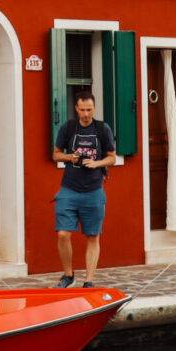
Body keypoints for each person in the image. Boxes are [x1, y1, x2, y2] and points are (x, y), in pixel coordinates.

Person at [51, 89, 116, 288]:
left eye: (89, 109)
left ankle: (88, 281)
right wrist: (71, 157)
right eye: (82, 110)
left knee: (92, 236)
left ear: (94, 108)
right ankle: (68, 275)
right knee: (63, 233)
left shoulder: (102, 129)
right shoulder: (68, 128)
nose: (86, 114)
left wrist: (96, 164)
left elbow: (112, 157)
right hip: (69, 188)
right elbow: (56, 155)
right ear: (76, 109)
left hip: (94, 190)